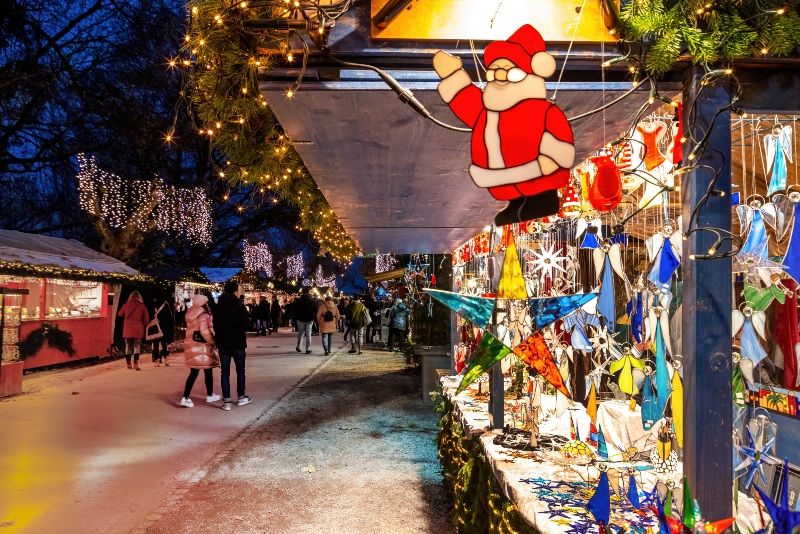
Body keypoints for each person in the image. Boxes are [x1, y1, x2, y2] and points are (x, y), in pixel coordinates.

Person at [213, 281, 252, 411]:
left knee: (225, 373)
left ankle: (227, 402)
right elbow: (247, 325)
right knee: (240, 371)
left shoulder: (219, 306)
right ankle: (241, 397)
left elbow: (215, 325)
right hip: (238, 343)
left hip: (223, 343)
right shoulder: (239, 305)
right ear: (235, 291)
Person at [180, 294, 222, 407]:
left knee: (194, 372)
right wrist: (213, 342)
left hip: (192, 346)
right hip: (203, 347)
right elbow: (205, 331)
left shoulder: (190, 313)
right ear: (204, 303)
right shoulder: (204, 315)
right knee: (208, 371)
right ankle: (209, 395)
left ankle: (186, 397)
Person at [117, 290, 150, 370]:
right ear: (139, 297)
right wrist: (145, 326)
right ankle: (136, 364)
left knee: (128, 346)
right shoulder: (142, 306)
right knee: (136, 346)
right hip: (138, 330)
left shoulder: (126, 305)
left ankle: (128, 364)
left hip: (127, 329)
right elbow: (146, 319)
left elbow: (120, 314)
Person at [151, 295, 174, 366]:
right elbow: (170, 319)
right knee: (164, 344)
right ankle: (166, 359)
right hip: (164, 328)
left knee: (155, 344)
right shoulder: (166, 306)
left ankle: (157, 361)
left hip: (156, 327)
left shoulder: (153, 305)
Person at [294, 288, 317, 354]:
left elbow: (295, 309)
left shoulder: (298, 300)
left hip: (300, 319)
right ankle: (308, 349)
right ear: (309, 293)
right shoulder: (312, 300)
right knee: (308, 333)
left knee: (300, 334)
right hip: (309, 319)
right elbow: (315, 309)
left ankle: (298, 347)